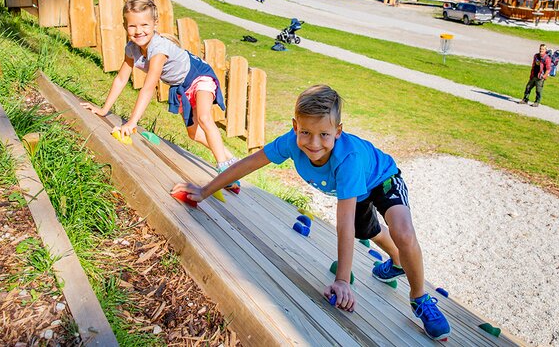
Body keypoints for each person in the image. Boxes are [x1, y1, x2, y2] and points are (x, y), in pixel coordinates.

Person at [171, 85, 451, 341]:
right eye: (306, 132)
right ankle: (398, 262)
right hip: (356, 189)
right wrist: (205, 190)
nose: (313, 143)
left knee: (402, 231)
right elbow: (249, 164)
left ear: (338, 131)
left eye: (324, 135)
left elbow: (343, 226)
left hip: (381, 177)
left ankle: (419, 298)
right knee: (370, 231)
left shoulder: (348, 159)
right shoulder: (291, 142)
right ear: (295, 127)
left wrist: (342, 280)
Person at [81, 0, 240, 181]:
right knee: (193, 133)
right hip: (181, 86)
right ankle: (230, 158)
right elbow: (121, 78)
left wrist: (132, 122)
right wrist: (103, 109)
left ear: (155, 24)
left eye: (144, 25)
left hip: (199, 75)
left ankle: (224, 168)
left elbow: (148, 88)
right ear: (124, 25)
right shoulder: (132, 48)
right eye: (132, 26)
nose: (138, 31)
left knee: (204, 117)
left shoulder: (158, 50)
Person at [518, 43, 552, 107]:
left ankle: (536, 102)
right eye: (540, 49)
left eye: (543, 49)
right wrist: (531, 74)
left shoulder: (547, 58)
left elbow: (548, 69)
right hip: (534, 75)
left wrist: (544, 76)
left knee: (538, 90)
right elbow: (533, 65)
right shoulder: (536, 56)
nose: (541, 50)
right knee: (528, 87)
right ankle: (525, 100)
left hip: (540, 77)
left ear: (545, 50)